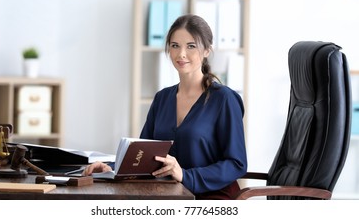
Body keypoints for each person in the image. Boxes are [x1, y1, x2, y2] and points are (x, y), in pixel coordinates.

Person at [83, 14, 247, 199]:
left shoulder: (224, 99)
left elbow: (236, 163)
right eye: (175, 45)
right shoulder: (162, 98)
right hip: (167, 194)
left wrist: (186, 175)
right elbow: (142, 154)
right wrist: (109, 168)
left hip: (212, 196)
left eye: (191, 46)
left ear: (207, 50)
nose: (181, 54)